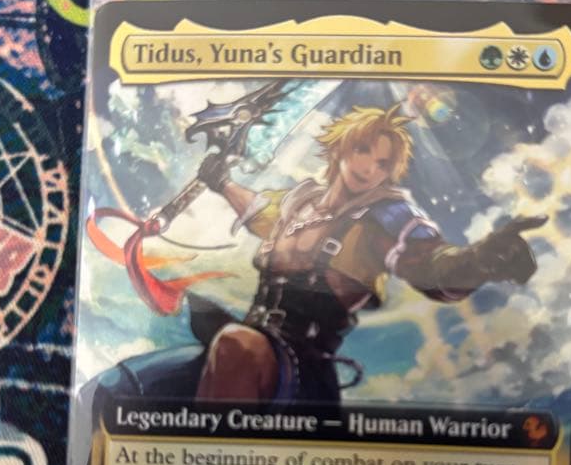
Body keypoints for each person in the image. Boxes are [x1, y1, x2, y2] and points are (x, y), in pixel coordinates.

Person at [194, 103, 545, 403]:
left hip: (301, 373)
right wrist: (221, 181)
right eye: (362, 151)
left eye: (382, 163)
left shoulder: (385, 217)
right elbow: (256, 209)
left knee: (235, 344)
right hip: (251, 345)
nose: (369, 168)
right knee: (176, 369)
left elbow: (430, 265)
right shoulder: (300, 204)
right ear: (341, 148)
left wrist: (479, 260)